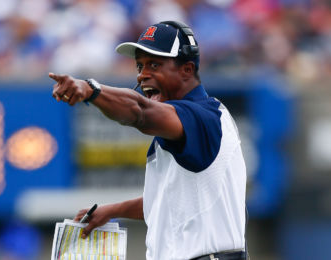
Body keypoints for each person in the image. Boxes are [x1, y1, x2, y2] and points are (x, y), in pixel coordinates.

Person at [49, 21, 248, 260]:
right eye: (140, 66)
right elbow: (170, 200)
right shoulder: (192, 120)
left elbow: (139, 112)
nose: (143, 74)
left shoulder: (203, 116)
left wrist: (91, 89)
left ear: (186, 70)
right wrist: (112, 211)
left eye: (154, 64)